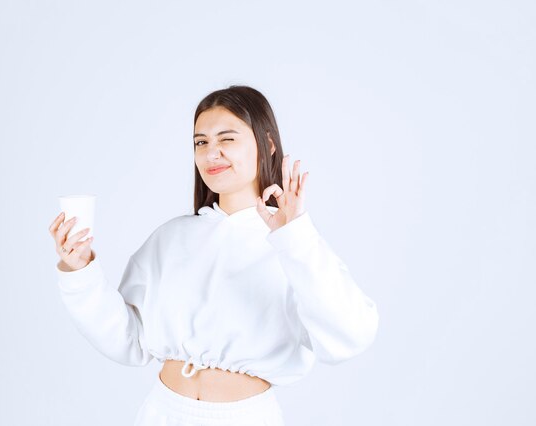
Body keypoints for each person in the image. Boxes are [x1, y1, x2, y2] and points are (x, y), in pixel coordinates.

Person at [48, 85, 379, 425]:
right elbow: (127, 340)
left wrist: (295, 236)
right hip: (163, 413)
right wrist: (79, 270)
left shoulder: (293, 244)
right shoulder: (171, 238)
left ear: (267, 144)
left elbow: (349, 335)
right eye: (201, 142)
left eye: (227, 139)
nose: (211, 154)